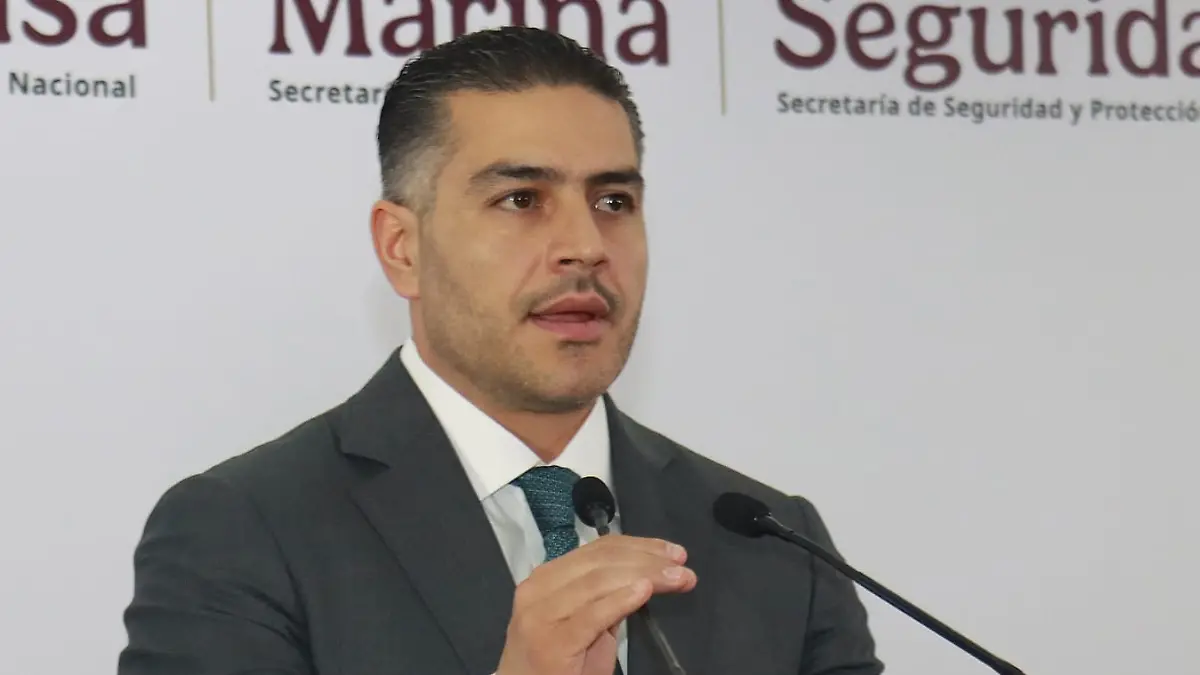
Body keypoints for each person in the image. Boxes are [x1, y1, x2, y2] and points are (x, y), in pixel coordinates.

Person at [117, 26, 883, 675]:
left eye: (613, 201)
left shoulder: (772, 542)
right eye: (521, 199)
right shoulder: (244, 531)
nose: (585, 244)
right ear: (403, 247)